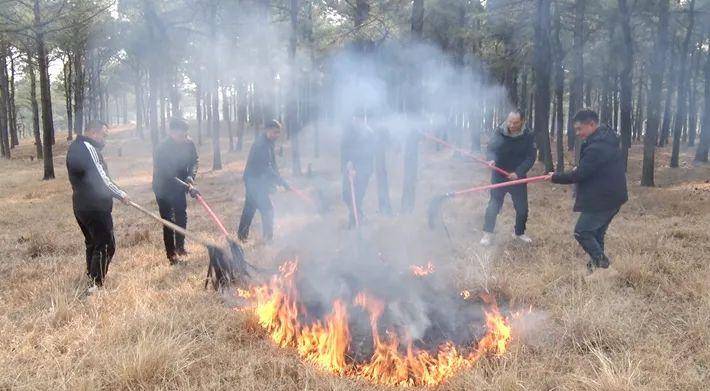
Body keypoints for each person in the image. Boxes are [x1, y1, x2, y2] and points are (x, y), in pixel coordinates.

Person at [551, 109, 628, 273]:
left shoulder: (598, 147)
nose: (578, 133)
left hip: (605, 199)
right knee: (597, 234)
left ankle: (604, 265)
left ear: (592, 124)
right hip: (612, 197)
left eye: (580, 129)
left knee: (582, 231)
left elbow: (580, 174)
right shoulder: (604, 138)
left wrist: (555, 177)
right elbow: (591, 167)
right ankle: (596, 270)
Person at [67, 122, 129, 292]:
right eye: (103, 135)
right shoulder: (88, 147)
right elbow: (100, 178)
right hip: (95, 206)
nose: (104, 139)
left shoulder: (75, 147)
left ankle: (91, 278)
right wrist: (120, 193)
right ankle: (95, 284)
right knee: (106, 244)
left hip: (81, 206)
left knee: (93, 244)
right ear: (92, 132)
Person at [480, 109, 537, 246]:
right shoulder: (499, 131)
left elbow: (530, 157)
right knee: (494, 204)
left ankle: (519, 233)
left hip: (517, 178)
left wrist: (518, 172)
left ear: (522, 121)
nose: (511, 125)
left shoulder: (528, 135)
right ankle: (487, 234)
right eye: (509, 122)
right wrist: (491, 160)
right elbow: (491, 149)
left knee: (522, 208)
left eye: (515, 123)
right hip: (499, 175)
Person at [152, 117, 199, 264]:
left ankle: (180, 247)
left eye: (185, 135)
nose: (183, 138)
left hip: (180, 185)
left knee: (181, 216)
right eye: (180, 135)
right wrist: (186, 186)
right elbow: (168, 174)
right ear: (171, 132)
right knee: (169, 220)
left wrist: (190, 177)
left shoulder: (189, 143)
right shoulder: (162, 148)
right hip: (163, 186)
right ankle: (171, 255)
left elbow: (194, 161)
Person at [238, 120, 289, 242]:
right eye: (274, 132)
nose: (276, 135)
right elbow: (266, 167)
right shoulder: (261, 144)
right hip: (254, 181)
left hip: (254, 180)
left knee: (250, 207)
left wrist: (279, 179)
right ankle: (268, 239)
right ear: (267, 130)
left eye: (278, 133)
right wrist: (281, 181)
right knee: (268, 209)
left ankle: (241, 236)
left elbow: (272, 164)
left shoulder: (268, 142)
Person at [341, 113, 375, 228]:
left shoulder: (369, 134)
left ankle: (353, 221)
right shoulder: (348, 132)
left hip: (363, 170)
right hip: (349, 168)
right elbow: (344, 149)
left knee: (357, 196)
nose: (355, 122)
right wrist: (347, 164)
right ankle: (358, 213)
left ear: (363, 120)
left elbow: (367, 154)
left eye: (358, 120)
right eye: (354, 119)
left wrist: (356, 168)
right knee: (346, 195)